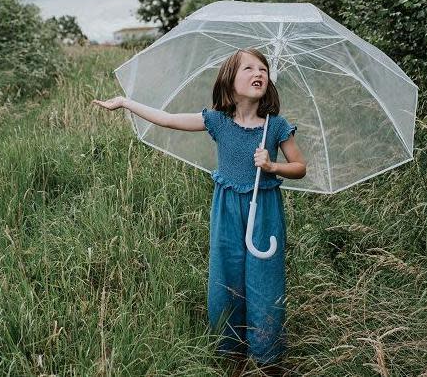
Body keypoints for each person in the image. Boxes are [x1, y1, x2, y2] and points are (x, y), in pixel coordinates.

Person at [92, 48, 306, 373]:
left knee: (264, 281)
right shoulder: (219, 122)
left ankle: (267, 358)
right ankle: (232, 351)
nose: (257, 73)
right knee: (227, 275)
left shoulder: (275, 126)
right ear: (229, 80)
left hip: (264, 212)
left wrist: (272, 165)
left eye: (262, 68)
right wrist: (125, 102)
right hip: (228, 211)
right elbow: (167, 119)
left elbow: (300, 167)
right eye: (248, 68)